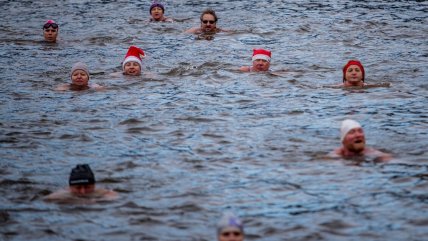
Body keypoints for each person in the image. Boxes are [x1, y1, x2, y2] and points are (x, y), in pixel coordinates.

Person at [44, 164, 118, 203]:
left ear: (94, 185)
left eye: (87, 187)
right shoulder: (60, 194)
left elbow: (113, 198)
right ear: (70, 187)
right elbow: (47, 199)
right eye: (78, 188)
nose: (83, 191)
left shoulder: (103, 192)